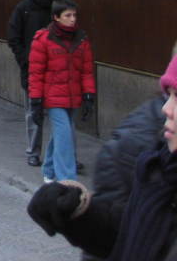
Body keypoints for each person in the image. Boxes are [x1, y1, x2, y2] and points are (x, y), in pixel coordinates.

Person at [26, 53, 177, 261]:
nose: (166, 109)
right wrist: (80, 214)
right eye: (168, 95)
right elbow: (130, 234)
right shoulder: (158, 164)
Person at [28, 0, 95, 183]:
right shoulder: (43, 39)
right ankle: (67, 181)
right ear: (56, 17)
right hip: (53, 96)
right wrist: (36, 99)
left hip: (73, 96)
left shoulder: (81, 39)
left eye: (74, 15)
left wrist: (89, 94)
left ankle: (49, 170)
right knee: (65, 134)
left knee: (61, 134)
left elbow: (87, 70)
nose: (73, 19)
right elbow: (36, 72)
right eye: (68, 15)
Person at [7, 0, 58, 167]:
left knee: (58, 114)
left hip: (55, 68)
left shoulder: (57, 7)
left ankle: (59, 152)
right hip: (32, 69)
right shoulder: (24, 8)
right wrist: (25, 60)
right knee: (33, 112)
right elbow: (13, 36)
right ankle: (33, 151)